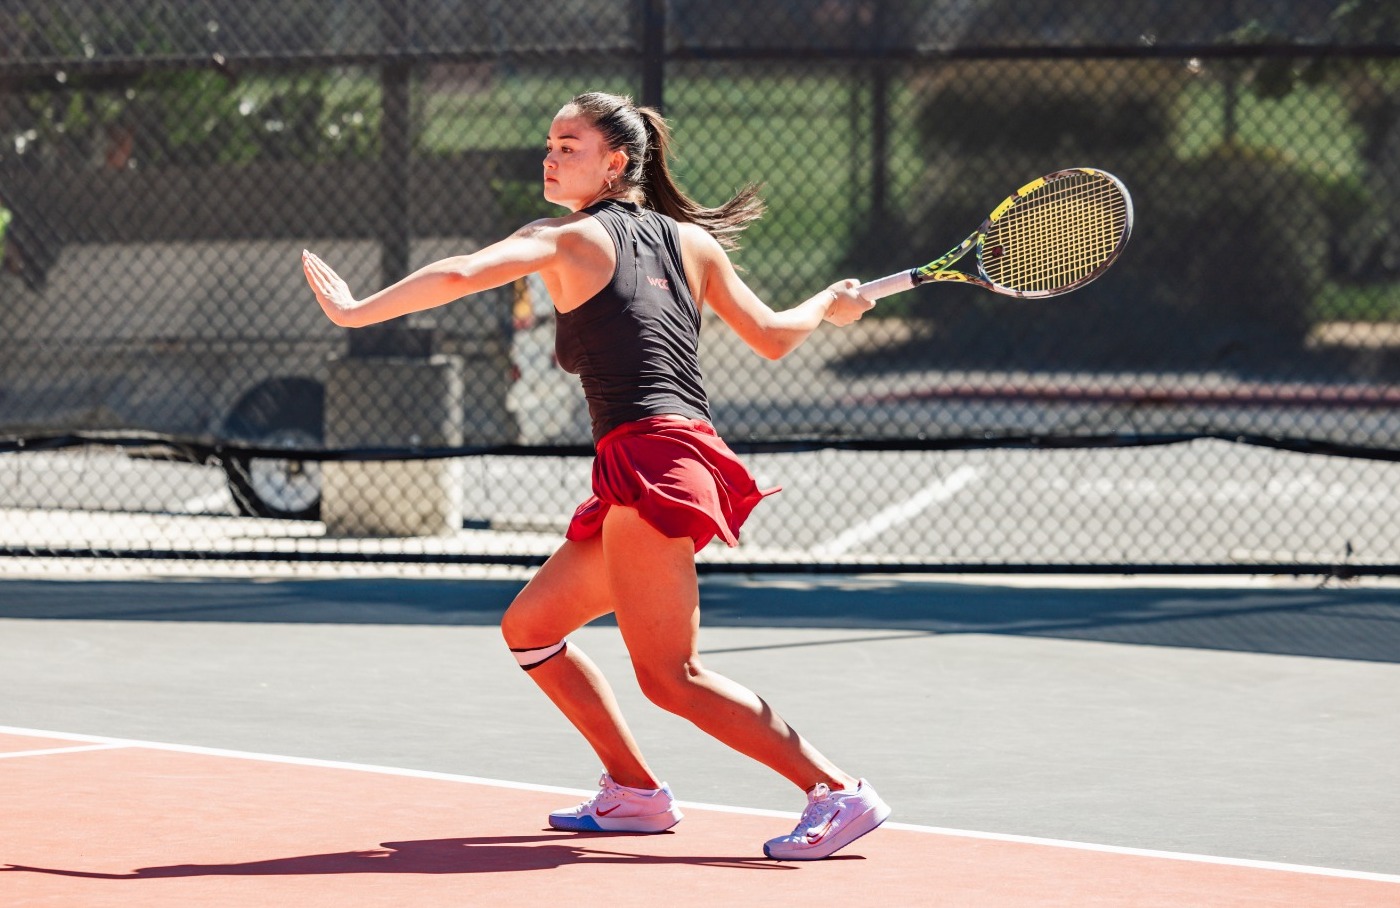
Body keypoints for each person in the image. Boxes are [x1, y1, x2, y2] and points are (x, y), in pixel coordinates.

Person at [302, 90, 889, 860]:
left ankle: (836, 792)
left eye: (568, 145)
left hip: (655, 459)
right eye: (548, 143)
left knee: (670, 677)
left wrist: (353, 312)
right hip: (653, 459)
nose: (549, 156)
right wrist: (827, 304)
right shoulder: (691, 243)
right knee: (532, 628)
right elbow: (778, 336)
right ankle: (635, 794)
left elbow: (461, 273)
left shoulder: (566, 238)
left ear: (616, 162)